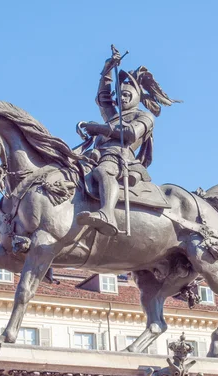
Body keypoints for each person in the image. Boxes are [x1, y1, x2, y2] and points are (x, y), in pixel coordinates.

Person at [77, 48, 181, 236]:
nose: (122, 98)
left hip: (119, 156)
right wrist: (107, 69)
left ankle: (108, 213)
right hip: (96, 153)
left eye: (126, 95)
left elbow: (131, 133)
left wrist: (98, 128)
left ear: (135, 97)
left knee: (102, 171)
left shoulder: (145, 116)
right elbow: (103, 98)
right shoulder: (113, 116)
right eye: (120, 95)